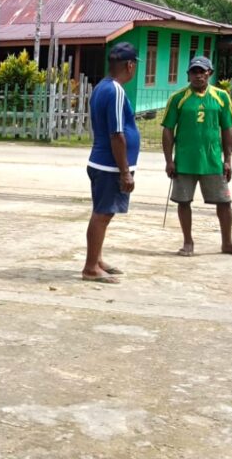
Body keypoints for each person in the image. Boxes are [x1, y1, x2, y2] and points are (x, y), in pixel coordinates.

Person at [161, 56, 232, 258]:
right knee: (183, 201)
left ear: (209, 73)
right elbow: (167, 129)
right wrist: (169, 160)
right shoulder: (177, 98)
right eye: (194, 72)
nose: (198, 76)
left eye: (202, 71)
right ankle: (188, 242)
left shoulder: (221, 96)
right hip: (185, 160)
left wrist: (228, 160)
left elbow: (227, 128)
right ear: (188, 75)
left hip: (212, 161)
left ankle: (227, 242)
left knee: (224, 202)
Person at [84, 42, 141, 284]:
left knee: (102, 213)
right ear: (130, 65)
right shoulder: (115, 90)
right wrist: (125, 172)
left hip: (103, 163)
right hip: (110, 166)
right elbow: (117, 133)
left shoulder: (101, 87)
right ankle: (90, 267)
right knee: (102, 215)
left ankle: (96, 260)